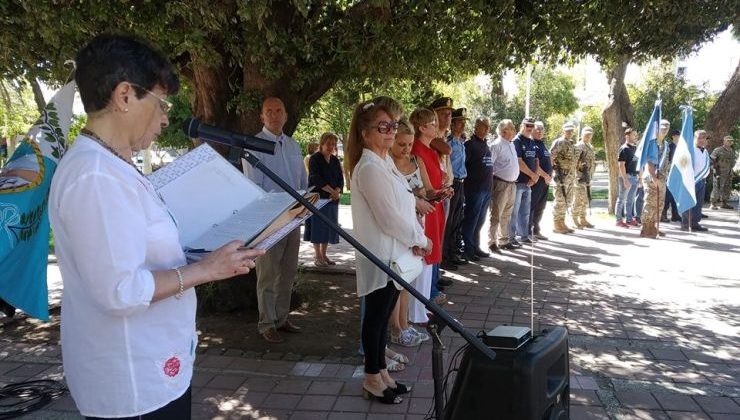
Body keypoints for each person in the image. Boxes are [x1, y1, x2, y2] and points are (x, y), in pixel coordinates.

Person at [48, 34, 264, 419]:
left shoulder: (112, 164)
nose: (166, 117)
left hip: (150, 363)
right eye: (162, 103)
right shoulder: (96, 177)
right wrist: (205, 269)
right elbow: (121, 292)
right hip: (131, 380)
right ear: (125, 96)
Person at [345, 97, 431, 404]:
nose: (391, 131)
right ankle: (371, 377)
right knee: (376, 319)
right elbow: (389, 218)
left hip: (394, 255)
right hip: (381, 256)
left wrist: (416, 236)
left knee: (382, 319)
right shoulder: (369, 167)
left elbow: (406, 206)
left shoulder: (384, 163)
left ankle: (382, 373)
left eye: (393, 125)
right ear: (366, 132)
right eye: (383, 126)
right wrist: (419, 239)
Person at [244, 97, 308, 343]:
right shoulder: (254, 145)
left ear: (285, 115)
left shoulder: (293, 145)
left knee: (288, 272)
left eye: (278, 110)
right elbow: (254, 189)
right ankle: (266, 323)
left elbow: (302, 181)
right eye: (268, 111)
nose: (274, 115)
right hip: (270, 221)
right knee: (268, 274)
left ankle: (282, 318)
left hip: (294, 217)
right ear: (261, 117)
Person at [388, 117, 434, 348]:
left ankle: (405, 324)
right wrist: (414, 200)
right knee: (396, 279)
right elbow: (393, 200)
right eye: (402, 145)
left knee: (409, 277)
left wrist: (432, 194)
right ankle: (395, 327)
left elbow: (426, 190)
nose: (406, 150)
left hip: (417, 224)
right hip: (399, 227)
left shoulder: (415, 161)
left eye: (409, 144)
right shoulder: (386, 165)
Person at [410, 108, 451, 308]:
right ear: (421, 127)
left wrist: (443, 188)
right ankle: (420, 303)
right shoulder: (417, 150)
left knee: (433, 250)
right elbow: (424, 188)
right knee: (425, 252)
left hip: (436, 206)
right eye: (432, 124)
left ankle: (427, 296)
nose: (436, 127)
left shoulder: (430, 149)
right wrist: (438, 191)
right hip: (426, 208)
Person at [304, 132, 343, 266]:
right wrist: (332, 191)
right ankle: (317, 256)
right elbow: (315, 178)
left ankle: (324, 254)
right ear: (322, 144)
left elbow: (340, 178)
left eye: (333, 144)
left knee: (328, 227)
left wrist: (337, 191)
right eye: (328, 144)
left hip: (332, 199)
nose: (331, 147)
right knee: (317, 227)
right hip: (318, 198)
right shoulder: (315, 159)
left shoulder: (335, 160)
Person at [461, 117, 493, 260]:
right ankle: (467, 248)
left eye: (488, 127)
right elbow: (463, 166)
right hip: (474, 189)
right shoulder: (470, 145)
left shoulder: (486, 145)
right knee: (471, 219)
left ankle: (475, 246)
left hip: (486, 189)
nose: (486, 129)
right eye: (483, 126)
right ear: (476, 127)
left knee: (480, 220)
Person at [441, 107, 468, 270]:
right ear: (453, 124)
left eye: (464, 122)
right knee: (449, 221)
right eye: (459, 122)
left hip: (461, 182)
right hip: (454, 183)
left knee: (457, 220)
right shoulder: (449, 142)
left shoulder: (461, 142)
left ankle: (453, 253)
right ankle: (444, 257)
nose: (463, 125)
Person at [488, 119, 519, 252]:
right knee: (496, 214)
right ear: (503, 131)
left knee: (507, 213)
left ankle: (503, 240)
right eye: (511, 128)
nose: (514, 130)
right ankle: (491, 242)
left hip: (512, 184)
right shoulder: (496, 145)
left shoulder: (511, 144)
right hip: (500, 183)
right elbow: (490, 166)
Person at [639, 123, 671, 238]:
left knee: (659, 203)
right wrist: (653, 177)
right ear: (657, 129)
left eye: (667, 128)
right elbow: (649, 161)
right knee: (650, 202)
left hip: (662, 178)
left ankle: (653, 226)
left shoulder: (666, 144)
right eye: (662, 128)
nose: (665, 130)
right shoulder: (652, 143)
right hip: (651, 177)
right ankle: (645, 228)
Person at [510, 117, 539, 244]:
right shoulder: (517, 141)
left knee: (525, 212)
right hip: (518, 182)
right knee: (514, 213)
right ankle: (511, 238)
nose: (529, 128)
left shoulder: (532, 142)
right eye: (527, 125)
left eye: (532, 126)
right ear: (522, 125)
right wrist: (533, 175)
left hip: (528, 183)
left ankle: (524, 236)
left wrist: (535, 176)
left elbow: (536, 160)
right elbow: (519, 161)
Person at [550, 122, 579, 234]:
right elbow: (551, 156)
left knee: (567, 200)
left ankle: (562, 222)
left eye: (571, 131)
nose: (569, 132)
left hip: (570, 176)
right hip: (561, 176)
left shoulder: (571, 143)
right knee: (560, 200)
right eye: (567, 131)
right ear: (563, 131)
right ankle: (557, 223)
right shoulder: (559, 142)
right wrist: (555, 170)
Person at [680, 130, 711, 232]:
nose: (702, 140)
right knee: (688, 202)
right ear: (694, 138)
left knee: (698, 203)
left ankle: (694, 223)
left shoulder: (705, 151)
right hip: (691, 180)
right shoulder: (690, 150)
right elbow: (683, 164)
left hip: (702, 180)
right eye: (699, 138)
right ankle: (685, 223)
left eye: (704, 138)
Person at [529, 120, 553, 240]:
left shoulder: (542, 144)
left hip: (545, 181)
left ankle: (536, 230)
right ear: (532, 130)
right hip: (537, 181)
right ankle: (528, 231)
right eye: (537, 128)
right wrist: (545, 176)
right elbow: (535, 165)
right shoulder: (532, 144)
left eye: (542, 129)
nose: (539, 131)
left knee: (541, 207)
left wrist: (550, 175)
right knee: (532, 206)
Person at [572, 126, 596, 228]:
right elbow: (574, 163)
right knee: (578, 199)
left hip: (588, 177)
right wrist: (580, 167)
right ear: (582, 135)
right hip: (580, 177)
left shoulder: (590, 146)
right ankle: (574, 218)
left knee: (585, 199)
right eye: (586, 134)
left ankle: (583, 219)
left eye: (590, 134)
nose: (588, 136)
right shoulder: (579, 146)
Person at [615, 127, 639, 228]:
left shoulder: (635, 148)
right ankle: (619, 220)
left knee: (631, 200)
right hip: (626, 176)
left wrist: (640, 177)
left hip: (635, 176)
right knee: (621, 199)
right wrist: (625, 179)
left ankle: (629, 219)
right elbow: (621, 165)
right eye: (633, 135)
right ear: (627, 136)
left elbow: (638, 163)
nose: (635, 136)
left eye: (636, 135)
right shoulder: (624, 148)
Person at [710, 135, 736, 210]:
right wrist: (714, 169)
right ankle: (713, 203)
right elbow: (712, 159)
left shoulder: (731, 150)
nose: (729, 142)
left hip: (728, 172)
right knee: (716, 187)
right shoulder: (718, 150)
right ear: (724, 141)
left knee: (727, 188)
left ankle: (724, 203)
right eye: (728, 140)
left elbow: (732, 162)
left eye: (731, 141)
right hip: (719, 172)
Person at [661, 128, 682, 221]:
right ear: (674, 136)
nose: (680, 137)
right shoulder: (669, 147)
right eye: (678, 135)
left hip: (678, 174)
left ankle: (675, 214)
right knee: (668, 195)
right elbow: (666, 161)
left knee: (675, 195)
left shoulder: (681, 147)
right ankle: (663, 214)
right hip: (669, 173)